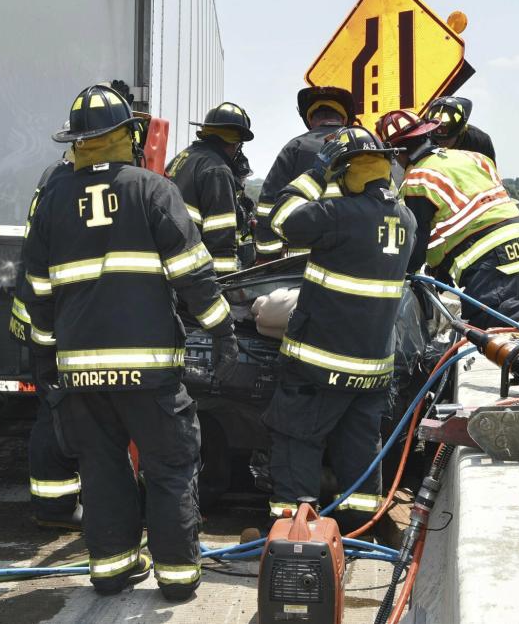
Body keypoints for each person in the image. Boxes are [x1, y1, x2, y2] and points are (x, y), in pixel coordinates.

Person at [23, 85, 239, 598]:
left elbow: (37, 290)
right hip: (150, 371)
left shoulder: (51, 201)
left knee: (101, 470)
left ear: (78, 142)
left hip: (82, 373)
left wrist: (44, 353)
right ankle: (178, 579)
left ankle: (112, 570)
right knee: (170, 468)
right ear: (130, 135)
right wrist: (223, 331)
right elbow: (193, 273)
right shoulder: (153, 189)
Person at [263, 126, 415, 534]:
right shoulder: (406, 219)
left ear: (349, 171)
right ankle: (359, 532)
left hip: (317, 365)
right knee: (360, 452)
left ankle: (293, 535)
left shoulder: (337, 215)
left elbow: (281, 219)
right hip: (373, 370)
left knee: (297, 440)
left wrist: (317, 172)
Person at [376, 109, 519, 365]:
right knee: (516, 305)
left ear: (397, 152)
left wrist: (401, 271)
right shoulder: (472, 157)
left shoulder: (417, 180)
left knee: (485, 316)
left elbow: (417, 247)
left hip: (490, 252)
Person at [8, 152, 85, 529]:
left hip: (43, 316)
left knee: (55, 408)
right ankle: (53, 508)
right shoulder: (66, 185)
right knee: (57, 410)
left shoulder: (56, 175)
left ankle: (56, 503)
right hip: (51, 319)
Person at [254, 86, 355, 262]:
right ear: (344, 118)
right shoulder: (366, 148)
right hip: (356, 260)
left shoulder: (295, 147)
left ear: (311, 119)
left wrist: (267, 258)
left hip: (301, 266)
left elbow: (267, 208)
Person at [165, 101, 253, 275]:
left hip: (170, 260)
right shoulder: (217, 170)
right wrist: (225, 284)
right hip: (192, 269)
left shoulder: (183, 157)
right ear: (235, 143)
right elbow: (220, 239)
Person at [423, 96, 496, 164]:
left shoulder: (480, 142)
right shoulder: (422, 140)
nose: (441, 143)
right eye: (438, 139)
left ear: (461, 131)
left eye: (447, 139)